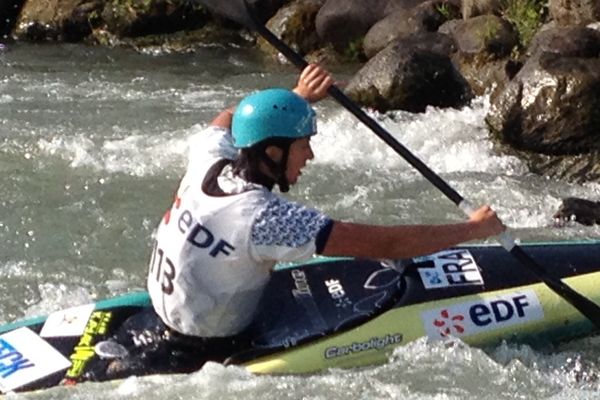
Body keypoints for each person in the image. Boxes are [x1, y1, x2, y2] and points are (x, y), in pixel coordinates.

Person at [91, 64, 505, 381]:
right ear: (272, 153)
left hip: (153, 324)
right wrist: (473, 230)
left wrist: (293, 101)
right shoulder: (264, 218)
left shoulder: (209, 160)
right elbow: (386, 245)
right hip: (202, 354)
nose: (310, 157)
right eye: (303, 146)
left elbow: (226, 118)